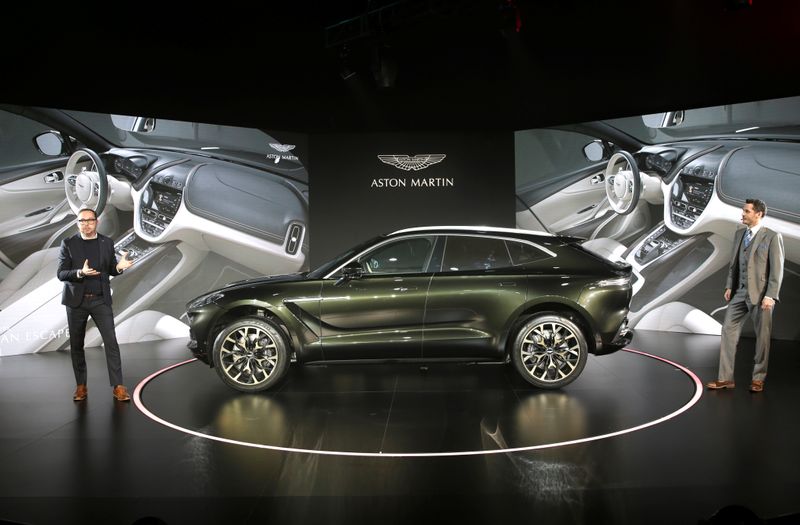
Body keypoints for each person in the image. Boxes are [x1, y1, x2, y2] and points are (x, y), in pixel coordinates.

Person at [707, 198, 784, 393]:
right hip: (739, 292)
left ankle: (758, 379)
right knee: (727, 331)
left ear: (758, 214)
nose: (743, 214)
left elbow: (777, 270)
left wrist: (771, 295)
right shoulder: (740, 233)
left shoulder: (772, 237)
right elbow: (735, 263)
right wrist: (729, 286)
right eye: (743, 210)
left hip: (761, 295)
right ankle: (725, 378)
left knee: (762, 338)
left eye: (747, 211)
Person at [57, 208, 134, 401]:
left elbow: (110, 270)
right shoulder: (68, 243)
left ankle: (118, 386)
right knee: (76, 345)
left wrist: (118, 268)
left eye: (89, 220)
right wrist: (80, 273)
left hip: (100, 300)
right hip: (77, 302)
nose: (86, 224)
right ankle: (81, 386)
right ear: (77, 223)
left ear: (96, 222)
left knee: (111, 343)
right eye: (82, 221)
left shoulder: (106, 242)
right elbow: (61, 274)